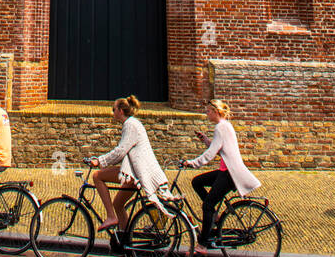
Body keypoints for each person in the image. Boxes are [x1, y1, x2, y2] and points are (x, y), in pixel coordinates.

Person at [182, 98, 261, 246]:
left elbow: (211, 154)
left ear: (216, 112)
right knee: (197, 182)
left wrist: (192, 163)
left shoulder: (221, 127)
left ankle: (202, 245)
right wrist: (205, 140)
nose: (207, 114)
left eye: (209, 111)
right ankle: (216, 217)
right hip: (226, 171)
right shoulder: (225, 126)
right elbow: (220, 150)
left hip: (229, 173)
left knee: (207, 205)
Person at [88, 95, 172, 234]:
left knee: (97, 176)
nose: (112, 112)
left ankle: (110, 217)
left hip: (136, 173)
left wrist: (100, 161)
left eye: (113, 109)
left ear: (120, 111)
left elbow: (121, 151)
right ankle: (125, 240)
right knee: (118, 204)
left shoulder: (130, 125)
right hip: (134, 171)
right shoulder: (132, 123)